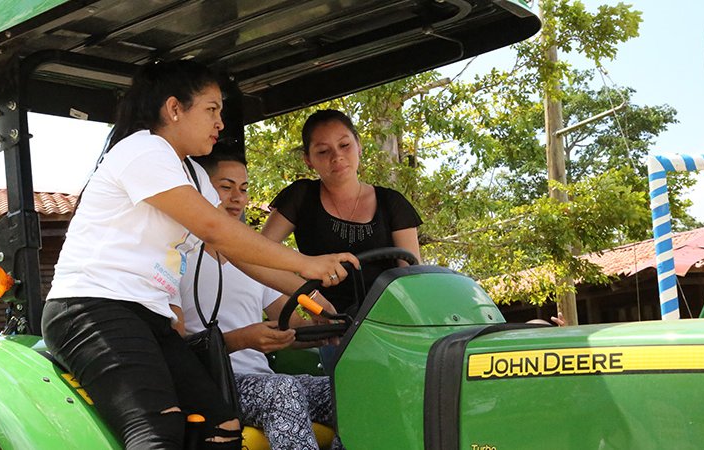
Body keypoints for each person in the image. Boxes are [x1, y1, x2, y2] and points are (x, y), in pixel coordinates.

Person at [41, 61, 358, 450]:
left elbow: (240, 255)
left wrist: (317, 301)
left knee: (220, 425)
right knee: (157, 431)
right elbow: (215, 229)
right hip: (93, 307)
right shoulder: (143, 150)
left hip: (146, 315)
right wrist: (307, 262)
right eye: (211, 109)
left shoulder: (192, 174)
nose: (220, 122)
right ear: (175, 109)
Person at [175, 152, 343, 450]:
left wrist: (324, 331)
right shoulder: (179, 258)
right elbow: (176, 350)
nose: (236, 197)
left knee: (349, 392)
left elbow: (292, 330)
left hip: (264, 382)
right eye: (225, 187)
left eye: (243, 188)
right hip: (216, 385)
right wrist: (243, 339)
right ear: (200, 188)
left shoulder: (256, 263)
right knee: (282, 389)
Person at [261, 109, 423, 316]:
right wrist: (313, 302)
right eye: (322, 151)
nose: (337, 156)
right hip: (333, 329)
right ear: (308, 160)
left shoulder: (392, 203)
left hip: (392, 324)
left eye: (344, 145)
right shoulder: (300, 196)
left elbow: (412, 279)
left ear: (359, 146)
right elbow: (259, 256)